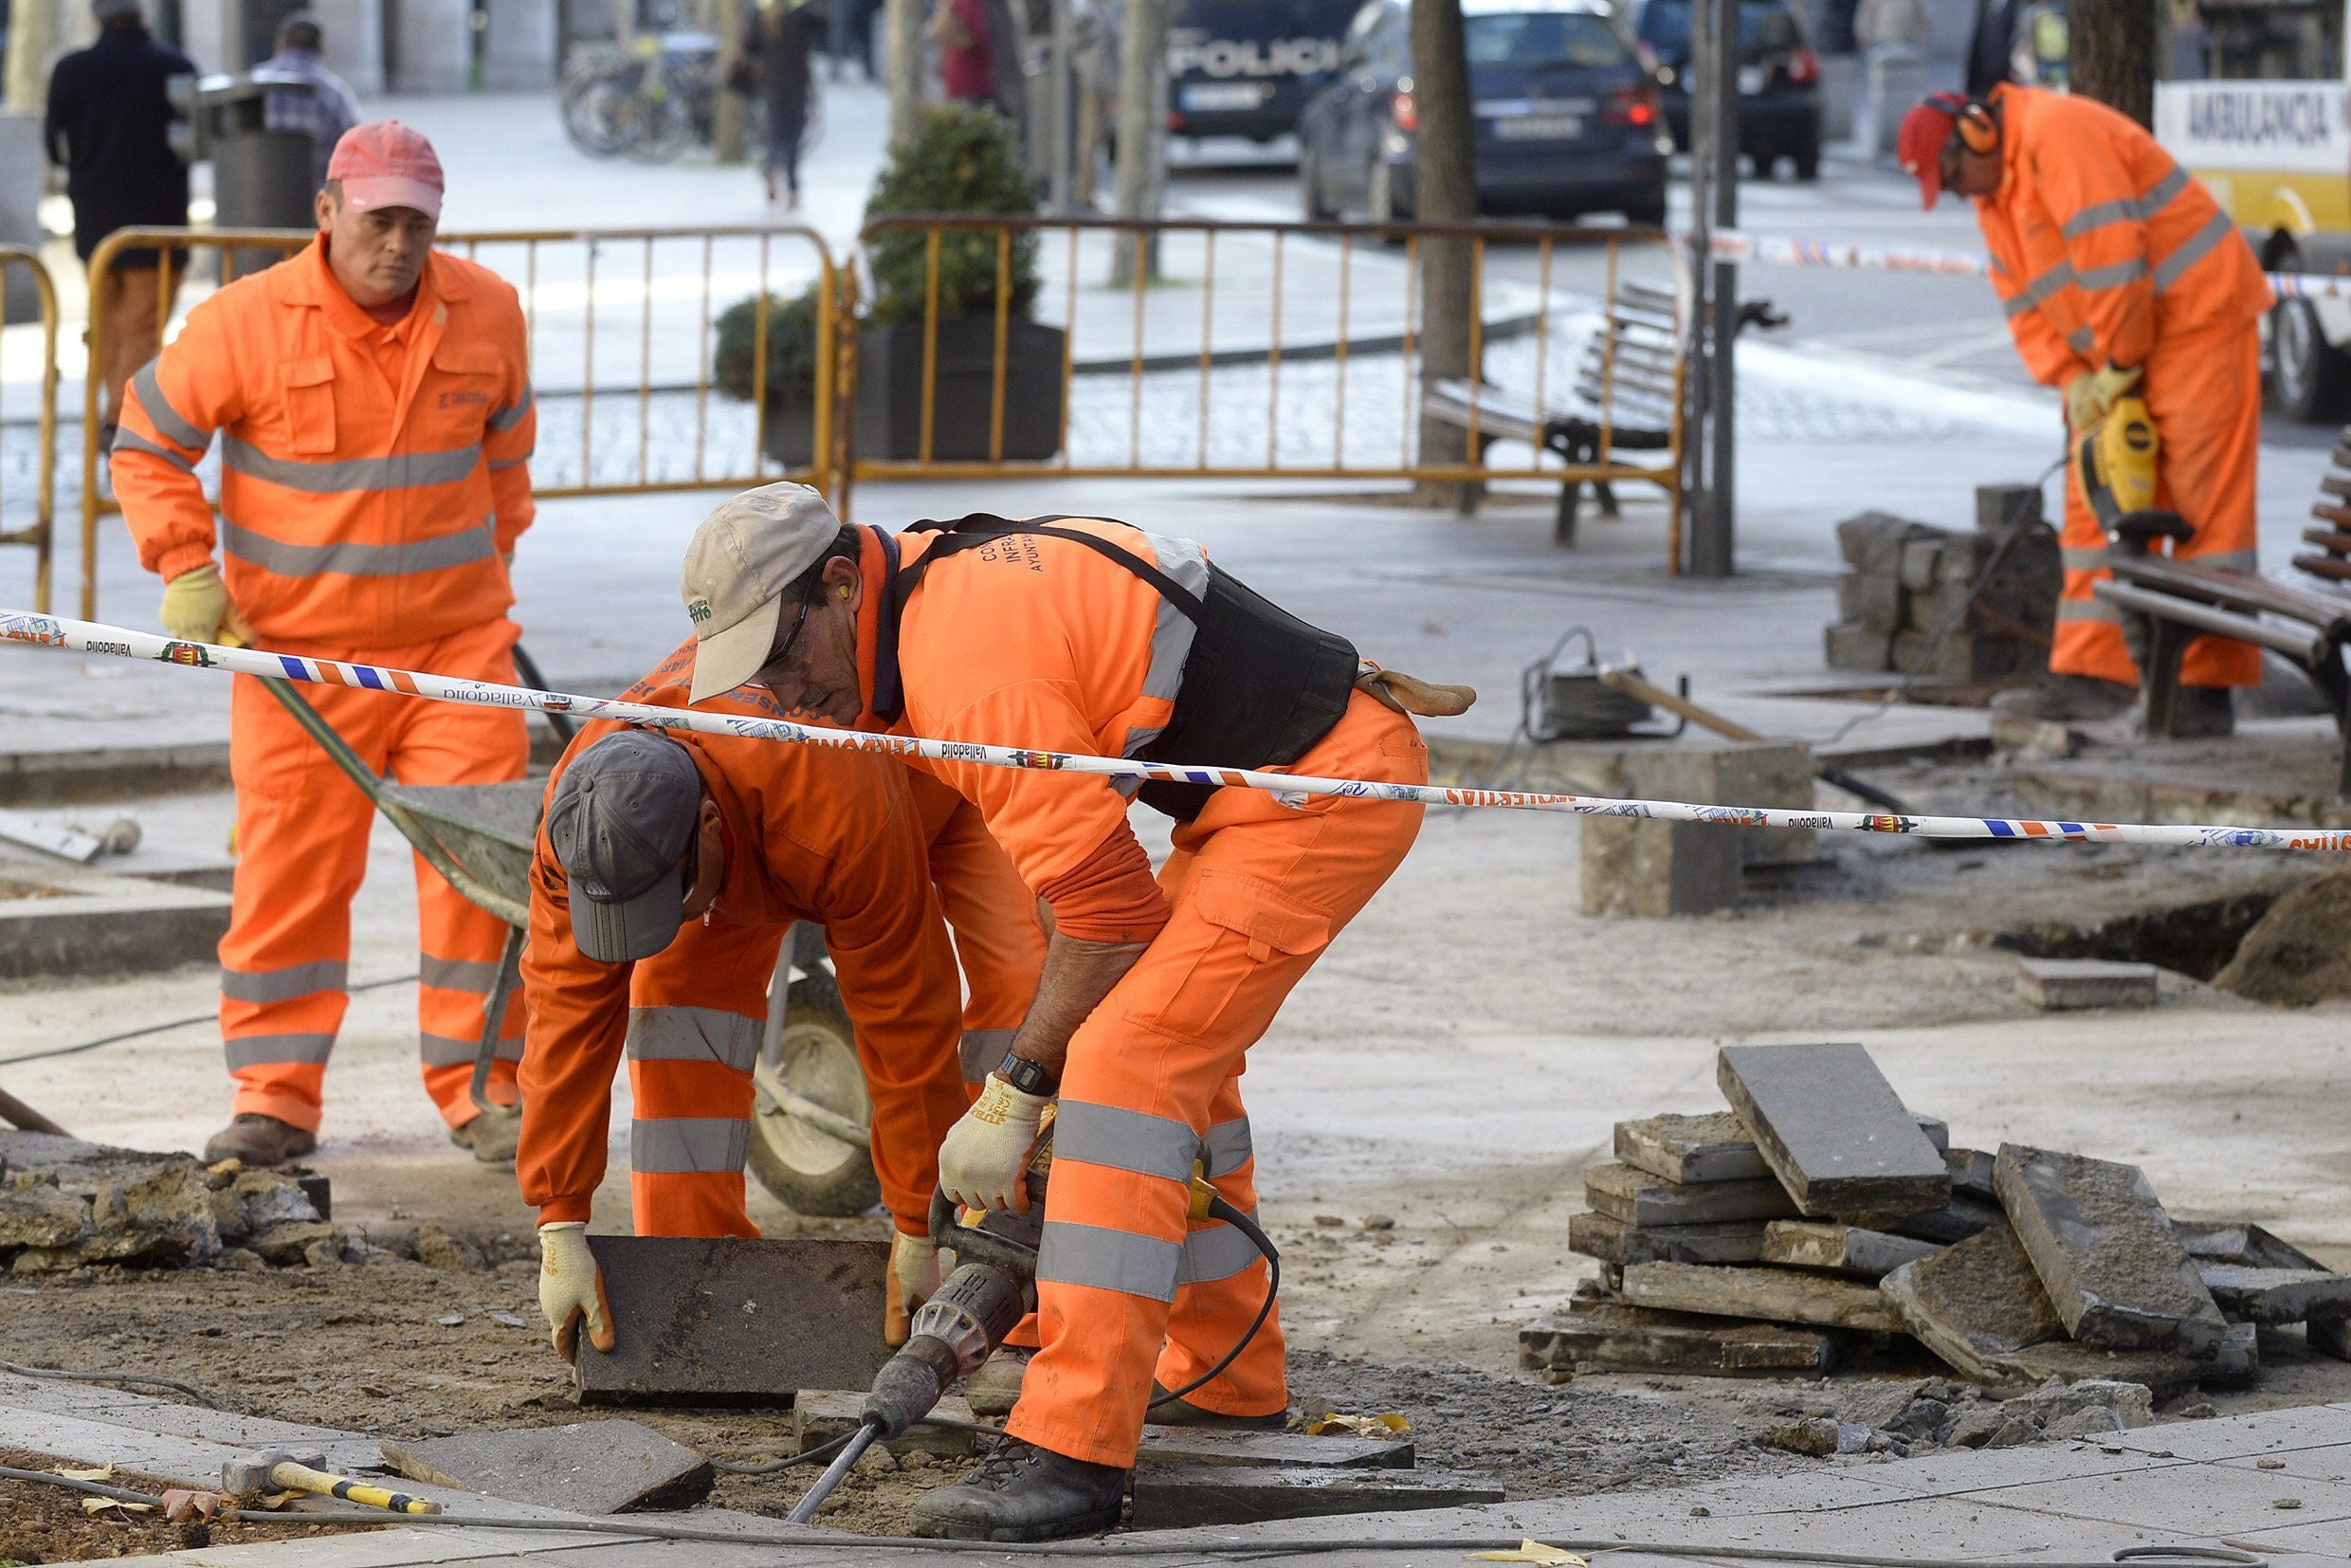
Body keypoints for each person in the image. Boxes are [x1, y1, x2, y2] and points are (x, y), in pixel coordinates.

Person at [679, 486, 1469, 1541]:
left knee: (1128, 1064)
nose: (782, 696)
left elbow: (1105, 914)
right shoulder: (933, 591)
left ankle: (1069, 1448)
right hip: (1271, 782)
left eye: (780, 661)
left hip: (1323, 789)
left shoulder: (965, 663)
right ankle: (1227, 1380)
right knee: (1175, 1060)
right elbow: (1080, 900)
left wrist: (1014, 1091)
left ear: (836, 583)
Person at [110, 122, 541, 1168]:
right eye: (378, 219)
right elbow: (146, 441)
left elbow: (508, 468)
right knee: (290, 883)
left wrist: (475, 587)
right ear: (327, 213)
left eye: (418, 224)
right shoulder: (244, 322)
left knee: (483, 876)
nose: (397, 243)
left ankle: (484, 1087)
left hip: (453, 656)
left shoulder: (486, 310)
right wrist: (184, 565)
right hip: (295, 662)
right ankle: (275, 1098)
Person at [518, 585, 1048, 1356]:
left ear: (705, 829)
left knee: (1027, 1003)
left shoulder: (831, 806)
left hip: (944, 786)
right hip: (751, 821)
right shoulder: (588, 822)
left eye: (674, 898)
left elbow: (906, 1019)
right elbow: (564, 1020)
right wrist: (558, 1221)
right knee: (673, 1004)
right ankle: (691, 1281)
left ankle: (996, 1274)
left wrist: (911, 1221)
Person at [1898, 88, 2272, 738]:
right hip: (2115, 357)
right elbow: (2023, 303)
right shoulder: (1996, 198)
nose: (1960, 193)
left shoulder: (2058, 136)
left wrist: (2117, 365)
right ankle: (2092, 676)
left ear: (1978, 133)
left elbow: (2113, 255)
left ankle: (2203, 691)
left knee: (2201, 511)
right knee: (2090, 505)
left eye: (1954, 175)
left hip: (2198, 323)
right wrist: (2073, 380)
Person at [43, 0, 193, 447]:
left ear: (95, 17)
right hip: (159, 223)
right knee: (143, 328)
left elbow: (54, 146)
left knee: (104, 324)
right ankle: (119, 421)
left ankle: (110, 416)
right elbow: (196, 141)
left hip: (96, 224)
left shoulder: (71, 69)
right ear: (143, 15)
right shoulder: (176, 66)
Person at [262, 10, 365, 191]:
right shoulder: (337, 94)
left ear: (280, 45)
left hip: (260, 200)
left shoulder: (254, 85)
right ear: (323, 50)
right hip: (316, 203)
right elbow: (356, 151)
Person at [741, 0, 828, 207]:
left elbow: (749, 46)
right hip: (796, 82)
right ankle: (792, 186)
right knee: (793, 135)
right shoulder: (801, 13)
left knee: (775, 132)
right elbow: (823, 29)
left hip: (771, 82)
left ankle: (771, 167)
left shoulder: (761, 13)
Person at [1853, 0, 1932, 157]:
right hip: (1883, 41)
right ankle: (1883, 139)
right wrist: (1863, 32)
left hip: (1907, 41)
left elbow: (1922, 13)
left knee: (1908, 98)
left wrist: (1924, 31)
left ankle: (1907, 137)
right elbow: (1867, 12)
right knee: (1879, 97)